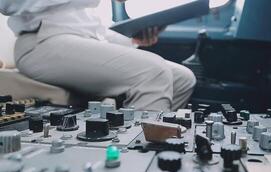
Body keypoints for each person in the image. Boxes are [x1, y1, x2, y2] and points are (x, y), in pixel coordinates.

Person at [0, 0, 196, 111]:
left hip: (83, 40)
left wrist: (132, 38)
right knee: (154, 72)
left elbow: (91, 29)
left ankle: (155, 146)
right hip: (40, 41)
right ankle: (142, 168)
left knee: (183, 78)